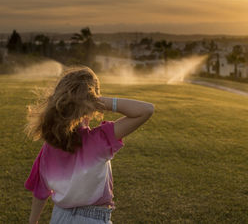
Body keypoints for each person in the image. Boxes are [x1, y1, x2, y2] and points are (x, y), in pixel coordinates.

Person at [25, 67, 154, 224]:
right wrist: (98, 102)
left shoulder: (49, 146)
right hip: (93, 219)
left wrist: (33, 222)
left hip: (59, 217)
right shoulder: (99, 139)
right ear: (92, 101)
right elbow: (146, 110)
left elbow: (41, 191)